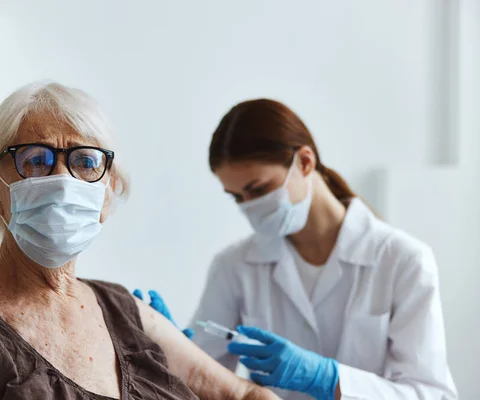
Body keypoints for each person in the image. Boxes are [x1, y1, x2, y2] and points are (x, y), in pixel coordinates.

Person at [0, 82, 281, 400]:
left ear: (109, 193)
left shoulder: (121, 308)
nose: (63, 181)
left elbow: (246, 396)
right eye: (35, 159)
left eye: (85, 162)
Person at [137, 99, 458, 399]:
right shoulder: (234, 266)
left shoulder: (402, 260)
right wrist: (169, 349)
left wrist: (327, 377)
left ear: (305, 162)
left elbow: (430, 393)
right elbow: (206, 380)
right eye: (237, 197)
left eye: (258, 189)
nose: (249, 207)